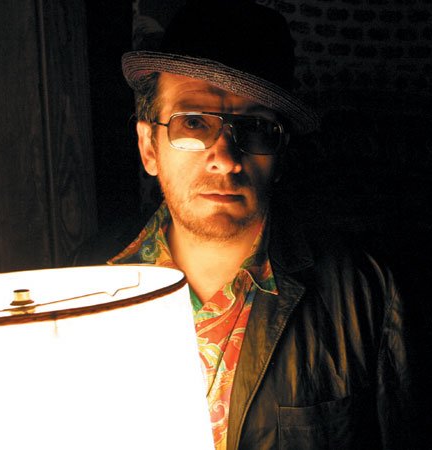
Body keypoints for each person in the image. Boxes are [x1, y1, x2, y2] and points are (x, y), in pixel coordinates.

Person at [108, 1, 411, 448]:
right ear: (149, 148)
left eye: (255, 127)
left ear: (281, 155)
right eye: (194, 122)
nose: (226, 159)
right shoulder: (88, 283)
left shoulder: (362, 291)